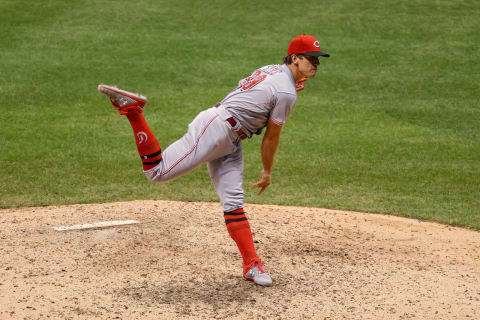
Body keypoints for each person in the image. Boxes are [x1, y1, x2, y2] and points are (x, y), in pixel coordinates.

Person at [98, 34, 330, 287]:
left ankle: (252, 264)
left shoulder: (273, 70)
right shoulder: (286, 92)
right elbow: (272, 138)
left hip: (230, 138)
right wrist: (266, 171)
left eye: (317, 60)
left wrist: (290, 86)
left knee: (233, 202)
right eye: (310, 59)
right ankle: (133, 111)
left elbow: (260, 91)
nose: (315, 64)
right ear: (295, 58)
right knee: (157, 172)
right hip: (215, 129)